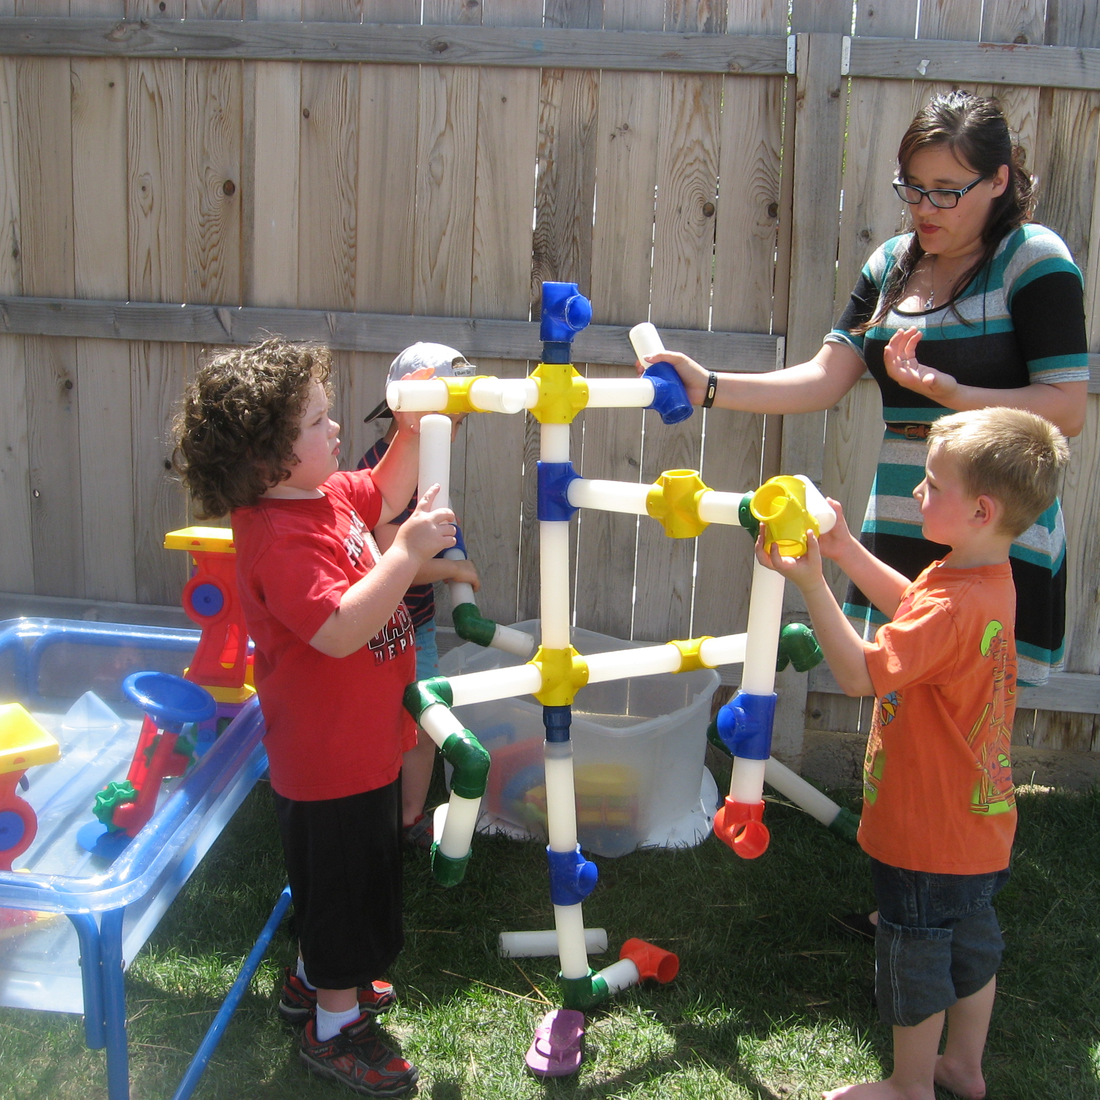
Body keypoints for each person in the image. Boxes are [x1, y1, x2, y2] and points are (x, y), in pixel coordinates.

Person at [643, 90, 1087, 687]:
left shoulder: (1033, 260)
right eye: (912, 186)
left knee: (974, 706)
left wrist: (953, 395)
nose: (925, 207)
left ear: (999, 180)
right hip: (908, 509)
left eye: (947, 189)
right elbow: (826, 377)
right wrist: (712, 388)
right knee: (891, 689)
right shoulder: (891, 263)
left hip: (993, 521)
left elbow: (1067, 408)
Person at [756, 406, 1069, 1100]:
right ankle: (964, 1065)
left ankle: (908, 1086)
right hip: (979, 826)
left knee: (916, 954)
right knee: (972, 943)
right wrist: (841, 551)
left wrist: (811, 584)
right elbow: (913, 614)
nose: (918, 494)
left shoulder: (953, 600)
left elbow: (862, 674)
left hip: (925, 834)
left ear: (981, 509)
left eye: (931, 484)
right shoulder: (982, 578)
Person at [173, 337, 457, 1097]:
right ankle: (335, 1029)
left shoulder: (323, 495)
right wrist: (406, 558)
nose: (336, 430)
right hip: (327, 766)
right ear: (267, 459)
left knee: (354, 887)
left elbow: (387, 488)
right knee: (341, 891)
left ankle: (314, 980)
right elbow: (339, 629)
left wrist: (421, 419)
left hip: (362, 748)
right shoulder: (277, 538)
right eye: (319, 422)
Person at [360, 343, 482, 849]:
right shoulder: (378, 476)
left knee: (422, 723)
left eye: (456, 421)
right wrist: (456, 567)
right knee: (384, 725)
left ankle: (409, 817)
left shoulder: (430, 472)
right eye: (447, 419)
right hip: (383, 628)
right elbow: (394, 560)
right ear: (407, 414)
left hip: (421, 625)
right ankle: (381, 812)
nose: (455, 430)